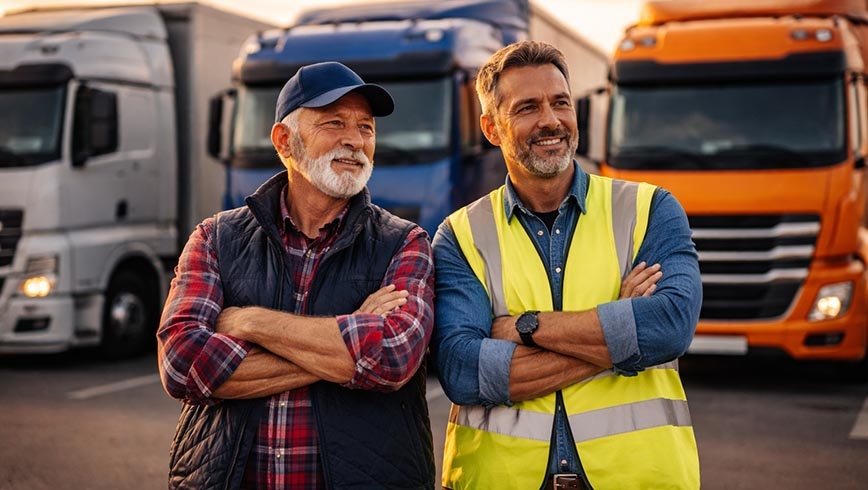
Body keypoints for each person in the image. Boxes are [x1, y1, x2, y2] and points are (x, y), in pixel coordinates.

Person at [431, 41, 702, 489]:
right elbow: (462, 370)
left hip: (636, 477)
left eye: (561, 103)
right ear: (491, 128)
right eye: (527, 108)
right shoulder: (460, 236)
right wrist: (620, 334)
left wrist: (524, 327)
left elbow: (669, 327)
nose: (551, 121)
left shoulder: (649, 209)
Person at [157, 61, 436, 489]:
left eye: (366, 127)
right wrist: (345, 348)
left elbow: (392, 358)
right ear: (284, 141)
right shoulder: (216, 238)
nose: (355, 140)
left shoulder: (403, 242)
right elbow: (182, 364)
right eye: (334, 122)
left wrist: (249, 322)